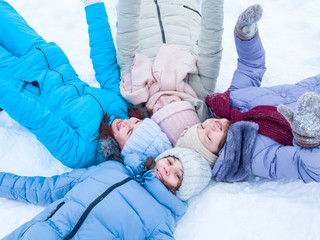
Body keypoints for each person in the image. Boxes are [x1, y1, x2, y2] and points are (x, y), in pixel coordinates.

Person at [0, 0, 164, 169]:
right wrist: (94, 7)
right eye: (136, 123)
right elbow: (106, 65)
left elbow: (36, 117)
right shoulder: (122, 107)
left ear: (124, 152)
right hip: (43, 53)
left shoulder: (81, 153)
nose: (126, 122)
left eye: (129, 132)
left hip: (15, 80)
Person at [176, 4, 320, 183]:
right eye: (208, 137)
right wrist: (308, 139)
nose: (210, 126)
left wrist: (246, 35)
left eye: (202, 126)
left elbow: (251, 67)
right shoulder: (255, 157)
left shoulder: (229, 103)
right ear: (215, 154)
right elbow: (308, 169)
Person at [0, 146, 212, 239]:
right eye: (171, 161)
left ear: (179, 189)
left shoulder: (162, 218)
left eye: (177, 175)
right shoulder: (112, 168)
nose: (169, 168)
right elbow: (48, 188)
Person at [115, 0, 224, 145]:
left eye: (159, 109)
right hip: (182, 7)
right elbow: (212, 39)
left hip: (141, 9)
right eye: (173, 102)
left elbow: (126, 33)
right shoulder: (201, 88)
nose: (163, 99)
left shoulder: (134, 89)